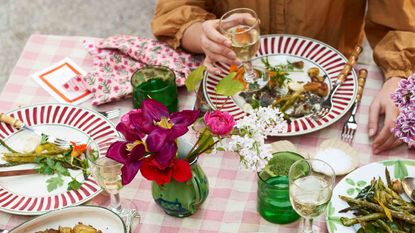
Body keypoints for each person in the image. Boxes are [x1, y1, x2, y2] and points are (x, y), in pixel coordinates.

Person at [151, 0, 415, 154]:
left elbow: (400, 23)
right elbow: (178, 10)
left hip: (334, 90)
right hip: (229, 87)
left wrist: (398, 75)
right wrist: (205, 37)